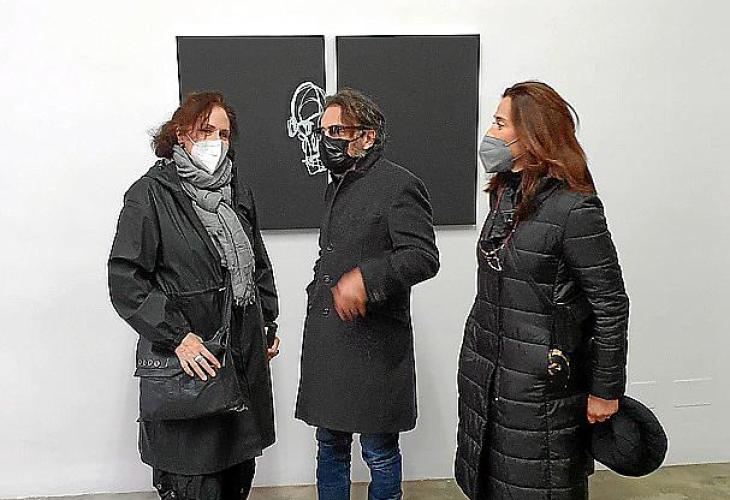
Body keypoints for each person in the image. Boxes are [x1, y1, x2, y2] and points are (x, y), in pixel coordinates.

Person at [455, 81, 630, 500]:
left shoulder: (575, 209)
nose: (490, 134)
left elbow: (610, 306)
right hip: (489, 380)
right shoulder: (505, 194)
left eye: (500, 124)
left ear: (533, 134)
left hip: (542, 393)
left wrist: (606, 390)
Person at [108, 92, 280, 500]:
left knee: (236, 478)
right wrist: (177, 337)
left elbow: (256, 264)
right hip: (188, 371)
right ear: (180, 134)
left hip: (239, 367)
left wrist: (266, 323)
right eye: (206, 131)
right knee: (195, 483)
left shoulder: (236, 191)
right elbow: (126, 279)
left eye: (224, 134)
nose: (216, 142)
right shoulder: (149, 195)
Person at [295, 88, 440, 500]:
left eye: (336, 130)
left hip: (374, 343)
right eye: (323, 131)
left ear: (367, 135)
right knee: (330, 443)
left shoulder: (400, 185)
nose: (327, 140)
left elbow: (422, 257)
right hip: (330, 339)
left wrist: (366, 279)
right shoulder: (336, 185)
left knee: (378, 449)